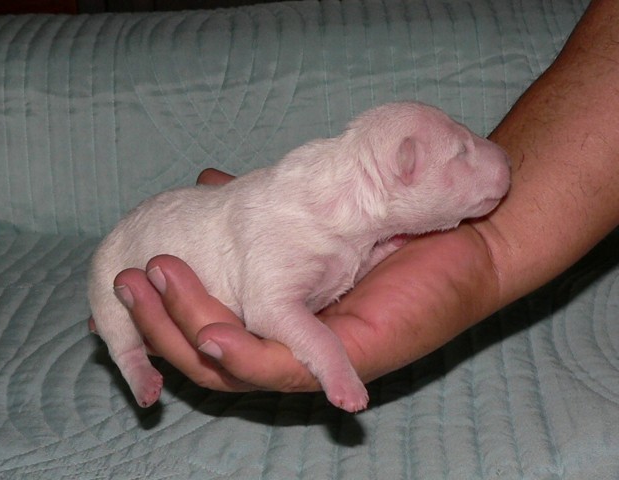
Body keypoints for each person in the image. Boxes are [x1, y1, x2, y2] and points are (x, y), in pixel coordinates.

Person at [94, 0, 619, 396]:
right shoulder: (287, 224)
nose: (493, 156)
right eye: (461, 152)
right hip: (125, 253)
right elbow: (269, 310)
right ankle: (127, 357)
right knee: (116, 312)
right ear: (404, 170)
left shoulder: (347, 216)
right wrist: (330, 356)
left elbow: (357, 254)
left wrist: (417, 251)